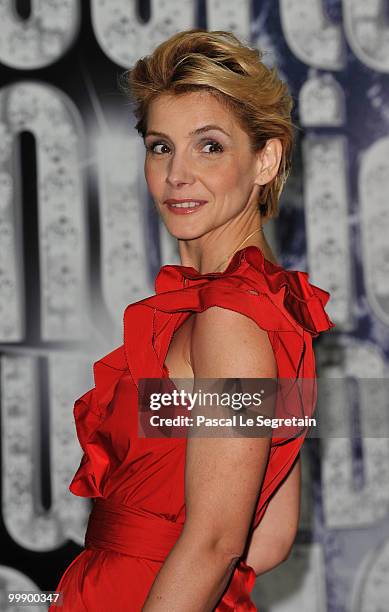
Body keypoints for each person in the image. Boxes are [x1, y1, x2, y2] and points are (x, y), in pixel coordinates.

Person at [50, 28, 334, 611]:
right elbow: (270, 538)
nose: (177, 173)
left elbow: (215, 543)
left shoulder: (231, 322)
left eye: (209, 145)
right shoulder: (266, 307)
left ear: (266, 158)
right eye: (160, 146)